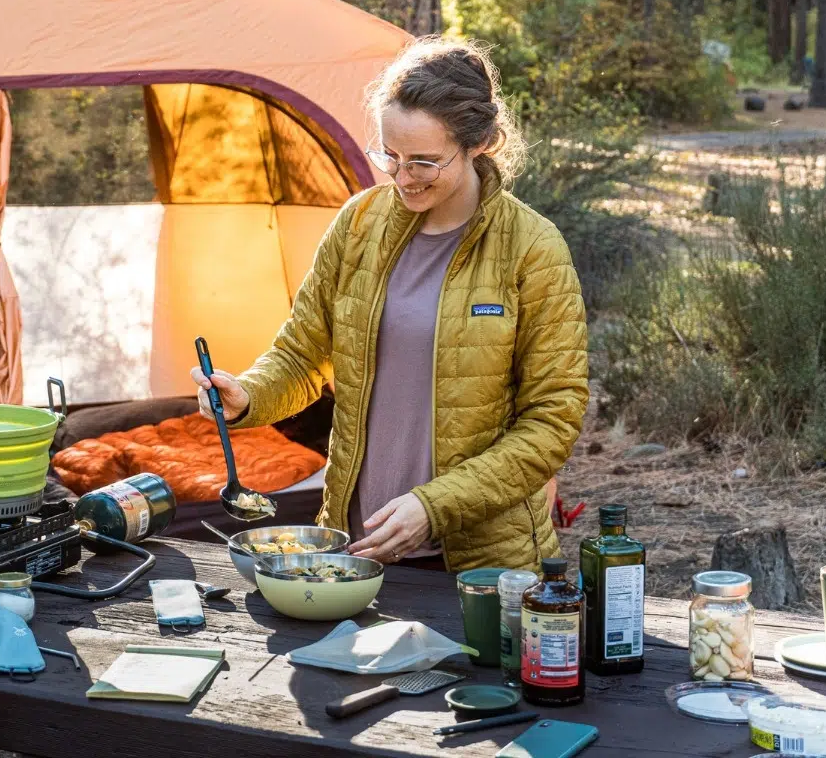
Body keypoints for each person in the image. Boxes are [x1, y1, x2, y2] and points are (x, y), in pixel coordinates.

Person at [190, 37, 588, 573]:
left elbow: (552, 421)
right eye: (390, 156)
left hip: (480, 560)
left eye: (423, 162)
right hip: (355, 546)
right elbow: (303, 355)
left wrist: (434, 506)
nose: (401, 179)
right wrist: (250, 396)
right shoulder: (359, 224)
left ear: (479, 145)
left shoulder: (532, 248)